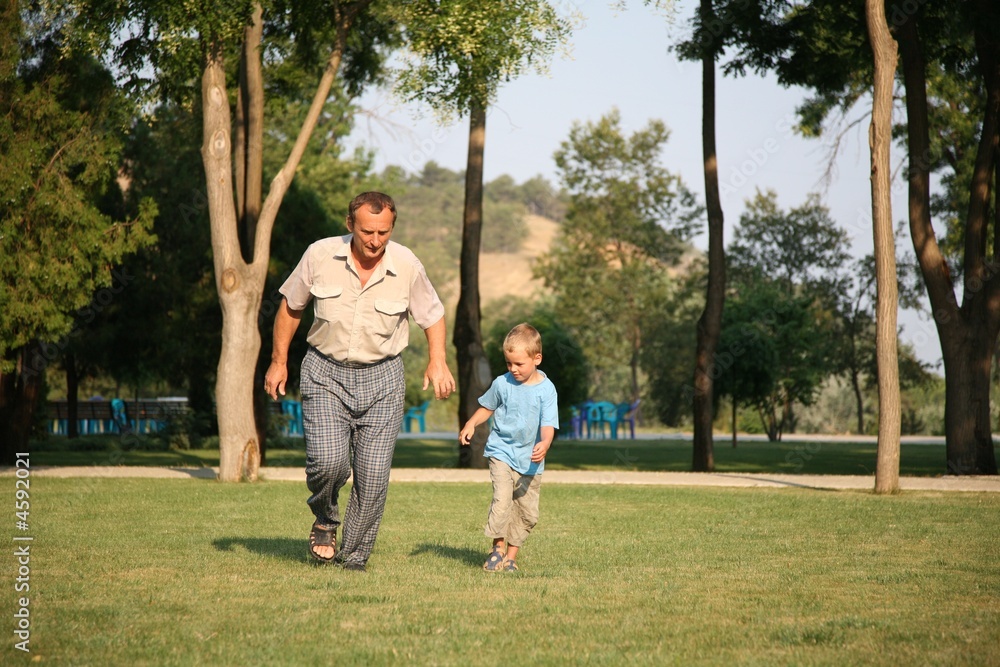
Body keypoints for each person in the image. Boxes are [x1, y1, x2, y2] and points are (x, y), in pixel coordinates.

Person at [264, 191, 455, 571]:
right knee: (328, 463)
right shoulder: (320, 255)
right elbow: (291, 307)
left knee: (373, 476)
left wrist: (438, 361)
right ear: (350, 224)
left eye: (384, 232)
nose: (375, 240)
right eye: (367, 231)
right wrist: (278, 361)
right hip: (325, 373)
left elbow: (432, 314)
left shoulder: (407, 264)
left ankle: (353, 558)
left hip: (383, 378)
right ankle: (325, 519)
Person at [459, 323, 558, 572]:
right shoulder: (502, 384)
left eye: (519, 364)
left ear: (537, 359)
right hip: (501, 450)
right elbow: (487, 407)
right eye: (508, 363)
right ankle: (497, 549)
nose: (513, 369)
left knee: (527, 512)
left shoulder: (546, 390)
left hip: (531, 459)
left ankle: (511, 557)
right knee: (502, 501)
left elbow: (548, 424)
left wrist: (545, 443)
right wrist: (471, 423)